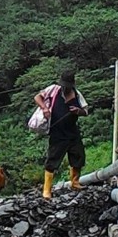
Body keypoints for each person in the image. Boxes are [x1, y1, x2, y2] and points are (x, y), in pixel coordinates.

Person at [34, 71, 88, 200]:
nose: (66, 88)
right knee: (53, 159)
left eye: (68, 86)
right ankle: (46, 190)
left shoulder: (77, 94)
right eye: (64, 85)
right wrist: (44, 108)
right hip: (57, 132)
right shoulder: (53, 90)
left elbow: (86, 111)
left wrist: (78, 111)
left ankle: (75, 183)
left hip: (72, 131)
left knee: (78, 156)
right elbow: (37, 97)